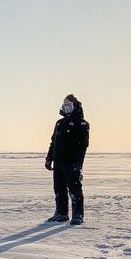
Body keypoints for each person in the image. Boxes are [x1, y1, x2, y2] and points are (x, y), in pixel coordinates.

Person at [45, 94, 90, 224]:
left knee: (75, 189)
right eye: (65, 105)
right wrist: (49, 158)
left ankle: (78, 216)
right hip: (58, 162)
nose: (66, 108)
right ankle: (61, 213)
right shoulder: (59, 123)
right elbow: (53, 142)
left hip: (72, 163)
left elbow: (83, 146)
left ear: (75, 106)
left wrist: (78, 163)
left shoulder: (81, 124)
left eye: (69, 105)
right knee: (59, 189)